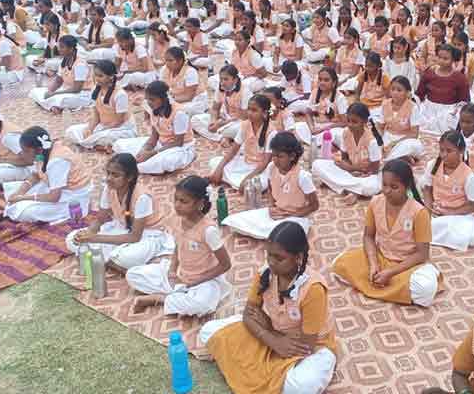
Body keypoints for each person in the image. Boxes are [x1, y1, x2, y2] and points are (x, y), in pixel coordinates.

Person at [199, 221, 337, 394]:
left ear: (298, 257)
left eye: (279, 258)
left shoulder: (313, 289)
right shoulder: (265, 273)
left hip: (309, 348)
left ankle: (260, 367)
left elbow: (306, 345)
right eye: (268, 255)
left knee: (300, 386)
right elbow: (248, 315)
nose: (271, 262)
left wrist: (267, 329)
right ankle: (265, 367)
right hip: (274, 335)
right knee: (208, 331)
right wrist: (272, 338)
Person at [332, 159, 442, 307]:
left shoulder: (419, 212)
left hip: (407, 265)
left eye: (394, 187)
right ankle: (393, 291)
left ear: (407, 186)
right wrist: (373, 264)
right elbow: (368, 236)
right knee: (338, 264)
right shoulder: (375, 202)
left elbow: (422, 255)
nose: (387, 191)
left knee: (424, 289)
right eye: (384, 185)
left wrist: (391, 273)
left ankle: (385, 286)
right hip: (380, 257)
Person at [127, 175, 232, 317]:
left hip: (204, 281)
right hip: (180, 275)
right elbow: (178, 245)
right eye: (175, 199)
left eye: (183, 201)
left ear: (199, 203)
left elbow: (225, 264)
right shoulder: (176, 219)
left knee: (203, 304)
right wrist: (172, 270)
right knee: (133, 275)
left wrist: (196, 281)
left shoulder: (208, 230)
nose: (177, 205)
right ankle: (178, 293)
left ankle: (160, 298)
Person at [66, 154, 174, 272]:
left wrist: (95, 238)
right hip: (121, 227)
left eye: (115, 175)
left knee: (125, 257)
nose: (109, 178)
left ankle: (112, 261)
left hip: (147, 234)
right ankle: (111, 262)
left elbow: (134, 237)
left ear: (129, 177)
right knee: (71, 239)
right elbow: (100, 220)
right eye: (108, 173)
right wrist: (88, 233)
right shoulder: (109, 188)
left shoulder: (142, 197)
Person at [223, 131, 319, 239]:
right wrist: (272, 207)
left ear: (292, 156)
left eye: (280, 156)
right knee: (236, 220)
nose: (275, 159)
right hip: (278, 213)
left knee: (287, 233)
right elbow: (270, 189)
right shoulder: (271, 167)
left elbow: (314, 205)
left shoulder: (303, 176)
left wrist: (290, 215)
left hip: (297, 217)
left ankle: (273, 233)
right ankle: (270, 232)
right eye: (273, 155)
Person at [2, 127, 93, 224]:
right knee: (12, 190)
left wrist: (22, 198)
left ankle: (6, 206)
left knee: (26, 212)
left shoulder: (57, 161)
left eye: (26, 151)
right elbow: (35, 175)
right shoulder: (45, 151)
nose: (23, 154)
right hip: (57, 187)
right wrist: (19, 192)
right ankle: (13, 205)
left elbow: (54, 197)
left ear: (39, 150)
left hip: (72, 196)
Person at [422, 131, 474, 251]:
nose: (444, 155)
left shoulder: (470, 176)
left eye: (449, 151)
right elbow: (427, 189)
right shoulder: (433, 165)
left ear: (461, 151)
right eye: (441, 150)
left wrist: (449, 212)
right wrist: (428, 210)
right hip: (434, 210)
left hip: (457, 215)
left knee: (458, 233)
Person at [112, 81, 196, 175]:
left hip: (180, 148)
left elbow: (178, 142)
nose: (149, 102)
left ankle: (135, 167)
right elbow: (154, 137)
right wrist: (144, 150)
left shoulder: (179, 113)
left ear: (164, 99)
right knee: (119, 144)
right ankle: (139, 165)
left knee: (166, 162)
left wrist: (152, 153)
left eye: (152, 99)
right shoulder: (154, 109)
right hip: (162, 144)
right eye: (147, 99)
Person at [311, 102, 383, 198]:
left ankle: (345, 188)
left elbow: (375, 170)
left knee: (373, 186)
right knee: (317, 164)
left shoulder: (371, 141)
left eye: (354, 122)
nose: (350, 125)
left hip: (366, 176)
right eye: (348, 121)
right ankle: (352, 190)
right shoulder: (346, 133)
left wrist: (352, 169)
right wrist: (345, 166)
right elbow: (344, 157)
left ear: (365, 122)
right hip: (350, 173)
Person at [207, 94, 275, 190]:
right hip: (245, 162)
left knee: (254, 186)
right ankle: (232, 181)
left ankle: (232, 181)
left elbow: (265, 162)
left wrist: (247, 179)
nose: (249, 113)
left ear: (264, 113)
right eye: (249, 109)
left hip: (260, 169)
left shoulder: (271, 131)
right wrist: (219, 169)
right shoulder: (244, 125)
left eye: (254, 110)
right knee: (214, 162)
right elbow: (233, 151)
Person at [65, 60, 137, 150]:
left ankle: (93, 144)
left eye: (100, 76)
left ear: (111, 77)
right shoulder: (95, 90)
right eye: (95, 75)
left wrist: (99, 131)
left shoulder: (120, 94)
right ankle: (96, 145)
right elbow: (96, 116)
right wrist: (90, 129)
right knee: (71, 131)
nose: (97, 78)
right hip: (103, 126)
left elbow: (119, 121)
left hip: (121, 129)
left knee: (104, 137)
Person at [416, 45, 471, 135]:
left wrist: (455, 112)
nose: (441, 61)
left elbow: (464, 100)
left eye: (445, 58)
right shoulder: (429, 73)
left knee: (447, 127)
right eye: (439, 57)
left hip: (448, 111)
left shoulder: (460, 78)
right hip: (428, 109)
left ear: (453, 59)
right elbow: (420, 93)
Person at [29, 35, 94, 112]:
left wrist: (55, 93)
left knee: (60, 99)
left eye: (62, 47)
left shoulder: (80, 64)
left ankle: (50, 105)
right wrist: (50, 91)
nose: (59, 49)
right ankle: (51, 107)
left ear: (71, 49)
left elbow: (76, 89)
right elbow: (58, 81)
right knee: (35, 91)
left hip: (81, 95)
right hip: (66, 91)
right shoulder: (64, 61)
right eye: (59, 47)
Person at [293, 66, 348, 147]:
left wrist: (324, 128)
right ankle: (315, 140)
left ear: (334, 83)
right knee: (297, 126)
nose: (322, 82)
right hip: (316, 125)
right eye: (320, 79)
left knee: (335, 134)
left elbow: (344, 122)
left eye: (326, 80)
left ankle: (317, 141)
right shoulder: (314, 93)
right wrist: (312, 128)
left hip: (332, 127)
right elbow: (308, 112)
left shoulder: (340, 97)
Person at [372, 76, 424, 162]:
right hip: (387, 137)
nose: (395, 93)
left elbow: (414, 134)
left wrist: (395, 143)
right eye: (392, 89)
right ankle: (400, 157)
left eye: (399, 90)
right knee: (372, 142)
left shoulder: (413, 107)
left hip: (405, 139)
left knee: (415, 145)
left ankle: (393, 158)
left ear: (407, 93)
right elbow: (380, 127)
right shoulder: (385, 104)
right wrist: (379, 142)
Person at [157, 46, 208, 116]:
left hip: (195, 101)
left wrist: (168, 101)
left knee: (180, 110)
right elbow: (161, 88)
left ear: (180, 61)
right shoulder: (164, 70)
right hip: (174, 98)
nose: (167, 63)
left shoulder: (190, 72)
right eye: (166, 60)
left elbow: (188, 97)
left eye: (170, 60)